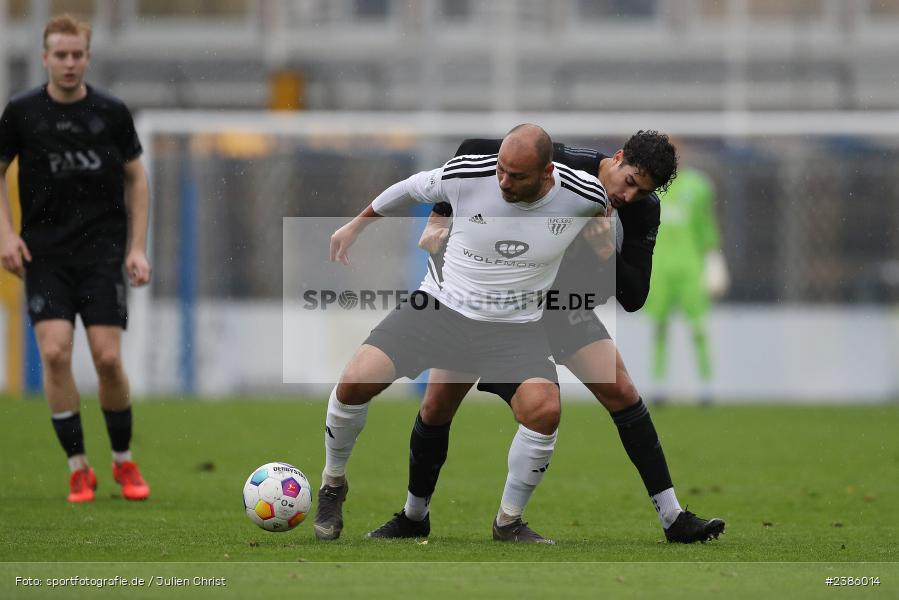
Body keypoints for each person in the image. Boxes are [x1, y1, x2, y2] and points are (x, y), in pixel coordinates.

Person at [367, 133, 725, 544]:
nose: (629, 196)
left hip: (561, 307)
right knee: (436, 405)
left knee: (623, 392)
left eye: (641, 191)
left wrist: (606, 251)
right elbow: (471, 149)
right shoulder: (565, 162)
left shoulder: (643, 211)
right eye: (629, 181)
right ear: (618, 157)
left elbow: (634, 296)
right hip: (500, 304)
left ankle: (672, 517)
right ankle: (414, 515)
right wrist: (441, 212)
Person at [315, 124, 607, 544]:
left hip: (515, 328)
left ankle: (508, 522)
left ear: (547, 173)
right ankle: (333, 485)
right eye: (501, 170)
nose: (503, 182)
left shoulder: (584, 193)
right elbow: (409, 188)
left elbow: (609, 207)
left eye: (516, 176)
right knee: (356, 382)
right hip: (440, 309)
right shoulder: (469, 173)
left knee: (544, 410)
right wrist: (356, 226)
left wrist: (605, 238)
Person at [0, 15, 152, 503]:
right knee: (55, 353)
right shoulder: (22, 112)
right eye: (60, 55)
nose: (69, 63)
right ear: (45, 57)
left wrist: (136, 247)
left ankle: (123, 460)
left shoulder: (111, 111)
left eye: (77, 54)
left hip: (103, 252)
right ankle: (78, 467)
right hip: (44, 253)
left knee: (107, 358)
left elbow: (136, 178)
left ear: (88, 57)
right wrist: (6, 235)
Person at [645, 167, 728, 405]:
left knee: (698, 328)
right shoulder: (650, 187)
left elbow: (706, 226)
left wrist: (714, 259)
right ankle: (658, 385)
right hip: (659, 268)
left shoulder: (697, 187)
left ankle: (706, 385)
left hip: (691, 268)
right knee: (659, 327)